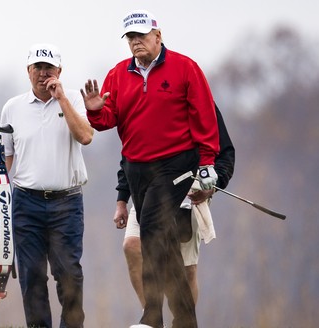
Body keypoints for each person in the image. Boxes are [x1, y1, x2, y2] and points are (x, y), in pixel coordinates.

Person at [81, 9, 219, 328]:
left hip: (176, 165)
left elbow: (204, 118)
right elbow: (107, 121)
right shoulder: (117, 74)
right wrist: (94, 111)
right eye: (131, 37)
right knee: (165, 243)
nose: (136, 42)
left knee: (152, 233)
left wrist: (208, 163)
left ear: (158, 36)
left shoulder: (185, 68)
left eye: (141, 35)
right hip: (137, 169)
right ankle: (186, 319)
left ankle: (152, 315)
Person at [0, 43, 94, 328]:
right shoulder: (12, 108)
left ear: (59, 71)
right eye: (37, 68)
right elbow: (6, 159)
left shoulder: (73, 101)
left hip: (66, 203)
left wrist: (62, 99)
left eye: (49, 68)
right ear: (28, 71)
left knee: (69, 274)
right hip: (25, 203)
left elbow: (85, 136)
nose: (43, 74)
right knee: (31, 274)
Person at [115, 104, 236, 308]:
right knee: (132, 246)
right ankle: (153, 319)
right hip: (148, 188)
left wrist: (212, 186)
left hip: (189, 190)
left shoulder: (202, 101)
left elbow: (225, 154)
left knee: (186, 268)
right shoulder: (146, 97)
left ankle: (184, 323)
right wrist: (122, 199)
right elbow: (130, 154)